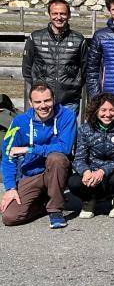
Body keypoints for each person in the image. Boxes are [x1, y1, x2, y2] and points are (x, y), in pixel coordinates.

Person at [1, 82, 75, 228]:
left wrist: (29, 149)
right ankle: (41, 204)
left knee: (56, 157)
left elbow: (65, 147)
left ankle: (55, 210)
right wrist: (10, 188)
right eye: (38, 102)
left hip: (56, 171)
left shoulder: (67, 116)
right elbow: (7, 155)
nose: (43, 105)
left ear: (53, 99)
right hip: (31, 174)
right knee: (10, 217)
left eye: (47, 100)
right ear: (30, 103)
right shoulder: (19, 122)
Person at [69, 93, 114, 219]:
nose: (107, 114)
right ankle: (89, 201)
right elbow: (79, 158)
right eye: (103, 110)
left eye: (112, 110)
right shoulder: (85, 129)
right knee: (73, 182)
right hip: (92, 173)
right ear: (96, 110)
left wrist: (103, 171)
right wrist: (86, 171)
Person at [22, 0, 87, 113]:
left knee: (66, 131)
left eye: (63, 14)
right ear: (49, 15)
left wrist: (74, 87)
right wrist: (37, 91)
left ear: (69, 15)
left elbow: (85, 69)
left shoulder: (79, 40)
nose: (59, 17)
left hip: (69, 101)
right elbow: (27, 69)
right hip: (43, 102)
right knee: (44, 131)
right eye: (55, 13)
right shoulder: (35, 38)